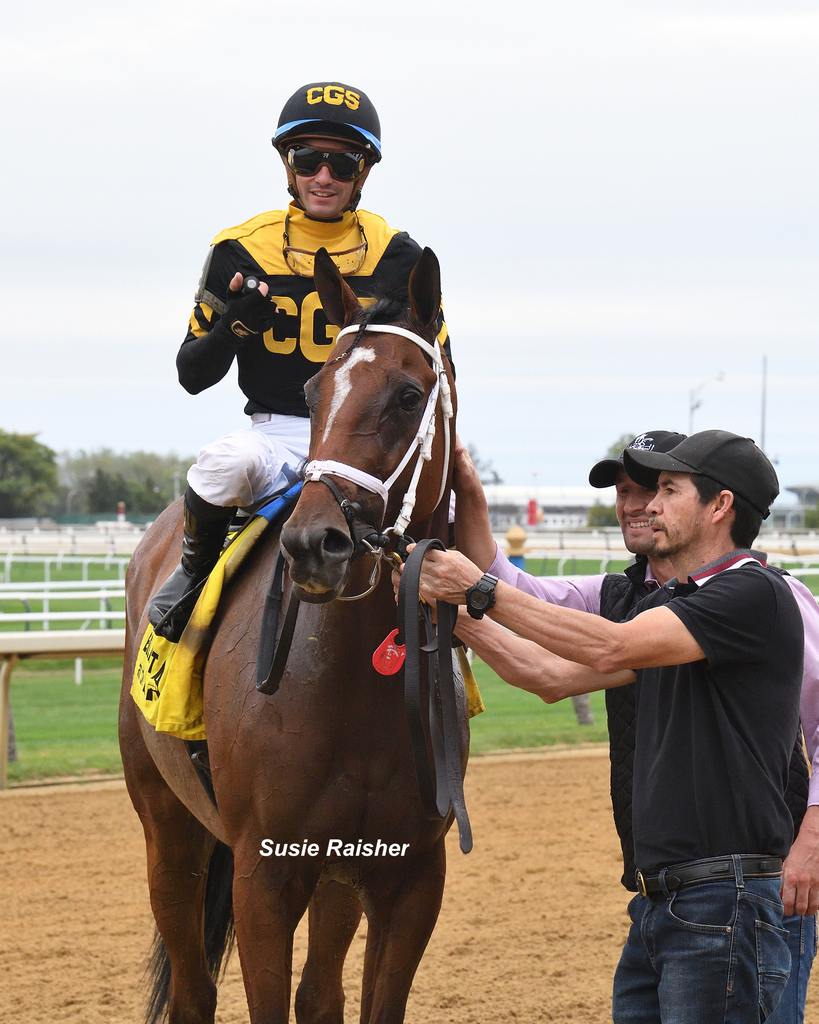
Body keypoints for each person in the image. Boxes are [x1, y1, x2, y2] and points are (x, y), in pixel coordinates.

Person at [411, 430, 804, 1022]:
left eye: (668, 490)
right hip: (662, 905)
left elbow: (610, 647)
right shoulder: (670, 610)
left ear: (719, 506)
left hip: (726, 902)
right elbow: (545, 672)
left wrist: (476, 589)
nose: (648, 504)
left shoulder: (751, 594)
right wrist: (452, 613)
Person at [149, 82, 451, 640]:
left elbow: (439, 378)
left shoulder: (400, 255)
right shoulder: (238, 248)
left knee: (456, 509)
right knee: (222, 465)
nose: (323, 177)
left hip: (370, 439)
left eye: (342, 163)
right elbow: (192, 376)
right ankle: (192, 574)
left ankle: (469, 635)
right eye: (308, 159)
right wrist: (236, 325)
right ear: (288, 165)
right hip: (278, 433)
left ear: (363, 173)